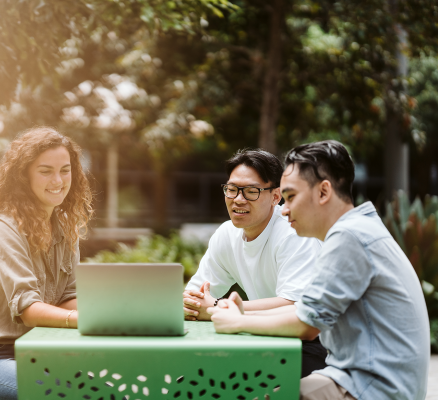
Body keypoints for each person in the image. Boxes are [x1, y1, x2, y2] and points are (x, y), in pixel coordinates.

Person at [208, 140, 430, 400]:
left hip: (373, 388)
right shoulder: (358, 229)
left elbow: (307, 324)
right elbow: (307, 310)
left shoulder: (350, 236)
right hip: (359, 379)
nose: (285, 209)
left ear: (324, 192)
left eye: (290, 197)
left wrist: (238, 322)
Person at [0, 127, 93, 400]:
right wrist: (83, 319)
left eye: (65, 169)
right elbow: (28, 309)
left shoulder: (64, 229)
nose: (58, 180)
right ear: (23, 176)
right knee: (65, 395)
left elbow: (68, 297)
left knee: (105, 391)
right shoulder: (6, 228)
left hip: (30, 352)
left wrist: (111, 310)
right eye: (45, 171)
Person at [183, 148, 326, 377]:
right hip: (261, 337)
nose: (238, 199)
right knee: (188, 377)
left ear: (276, 196)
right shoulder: (226, 235)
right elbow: (197, 294)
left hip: (314, 346)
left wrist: (216, 307)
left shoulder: (295, 233)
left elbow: (296, 308)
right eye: (231, 190)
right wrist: (192, 303)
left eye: (251, 191)